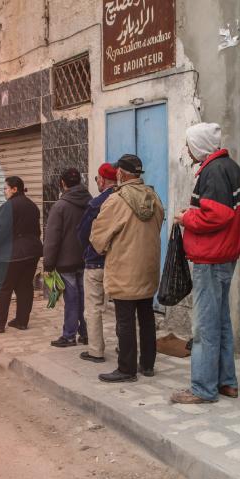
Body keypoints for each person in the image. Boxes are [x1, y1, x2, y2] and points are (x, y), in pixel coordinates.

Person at [171, 123, 240, 404]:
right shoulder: (230, 167)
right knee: (221, 322)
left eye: (189, 144)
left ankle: (203, 388)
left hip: (211, 257)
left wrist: (184, 218)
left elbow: (217, 215)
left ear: (200, 145)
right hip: (225, 256)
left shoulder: (213, 171)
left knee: (204, 326)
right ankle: (227, 382)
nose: (187, 150)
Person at [91, 154, 164, 382]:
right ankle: (148, 365)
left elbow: (98, 237)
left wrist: (108, 248)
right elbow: (158, 225)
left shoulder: (116, 200)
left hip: (124, 268)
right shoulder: (153, 196)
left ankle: (127, 369)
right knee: (146, 316)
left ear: (121, 173)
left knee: (125, 319)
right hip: (148, 267)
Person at [0, 176, 43, 333]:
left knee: (3, 288)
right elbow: (36, 231)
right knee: (24, 286)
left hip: (11, 254)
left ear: (15, 189)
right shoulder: (32, 206)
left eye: (6, 189)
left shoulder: (9, 206)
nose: (4, 192)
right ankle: (21, 321)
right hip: (32, 252)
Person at [43, 168, 92, 347]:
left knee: (71, 299)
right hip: (85, 259)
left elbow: (52, 238)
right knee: (82, 297)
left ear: (63, 183)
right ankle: (86, 333)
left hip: (65, 261)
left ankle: (69, 335)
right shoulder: (91, 202)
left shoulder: (60, 206)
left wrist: (48, 263)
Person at [77, 163, 118, 363]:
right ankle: (123, 345)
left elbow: (83, 233)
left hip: (96, 262)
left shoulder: (97, 204)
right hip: (118, 262)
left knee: (93, 307)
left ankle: (96, 350)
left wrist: (89, 250)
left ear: (101, 180)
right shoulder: (123, 201)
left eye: (97, 179)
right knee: (123, 308)